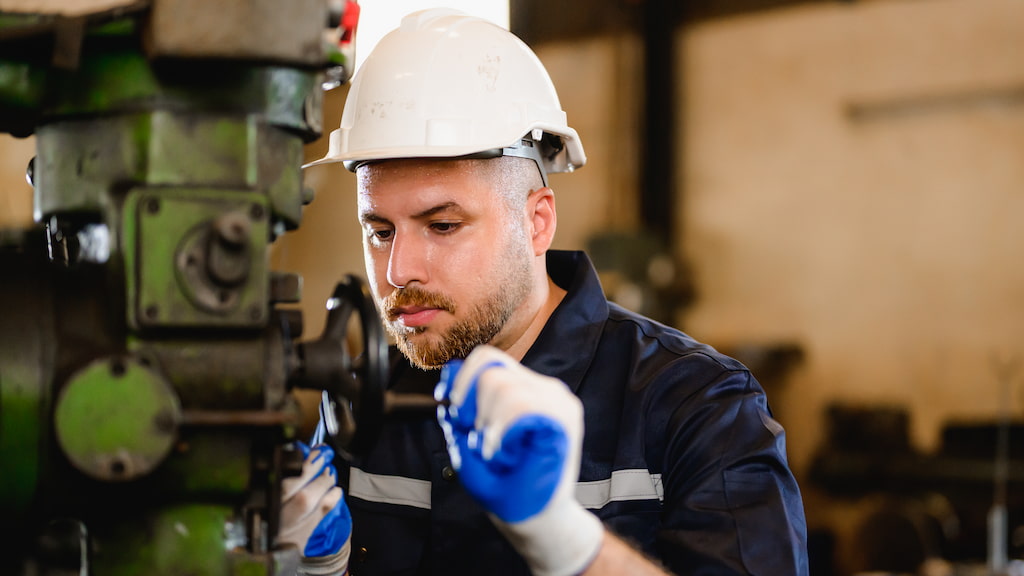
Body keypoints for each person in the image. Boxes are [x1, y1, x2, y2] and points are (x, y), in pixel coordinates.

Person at [279, 7, 808, 576]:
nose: (398, 271)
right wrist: (316, 567)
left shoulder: (697, 408)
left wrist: (567, 541)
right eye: (379, 232)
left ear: (536, 222)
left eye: (443, 226)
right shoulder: (358, 406)